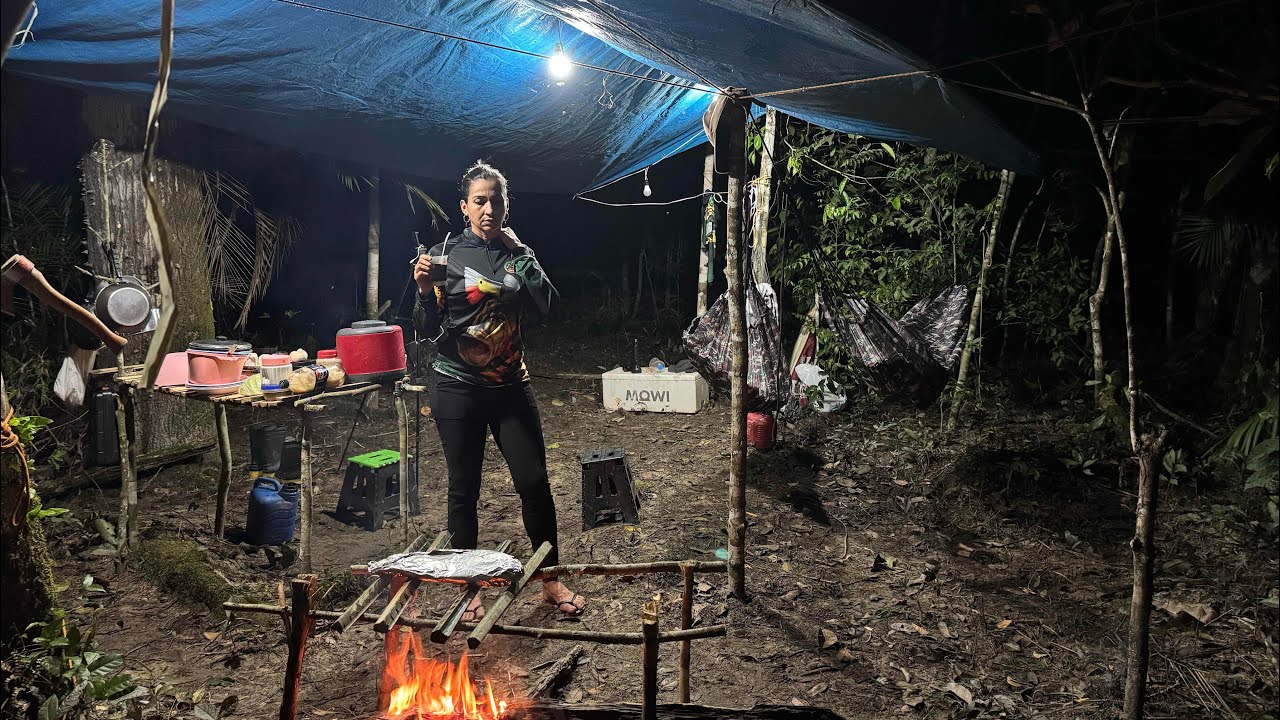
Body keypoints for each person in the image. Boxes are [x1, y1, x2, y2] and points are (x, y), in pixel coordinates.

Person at [413, 160, 584, 619]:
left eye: (496, 201)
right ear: (464, 207)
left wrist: (522, 250)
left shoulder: (516, 254)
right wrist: (424, 289)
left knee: (534, 482)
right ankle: (469, 589)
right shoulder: (444, 254)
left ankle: (550, 579)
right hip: (457, 385)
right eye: (479, 201)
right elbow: (426, 328)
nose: (488, 209)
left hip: (510, 384)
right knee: (463, 488)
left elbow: (547, 304)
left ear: (507, 205)